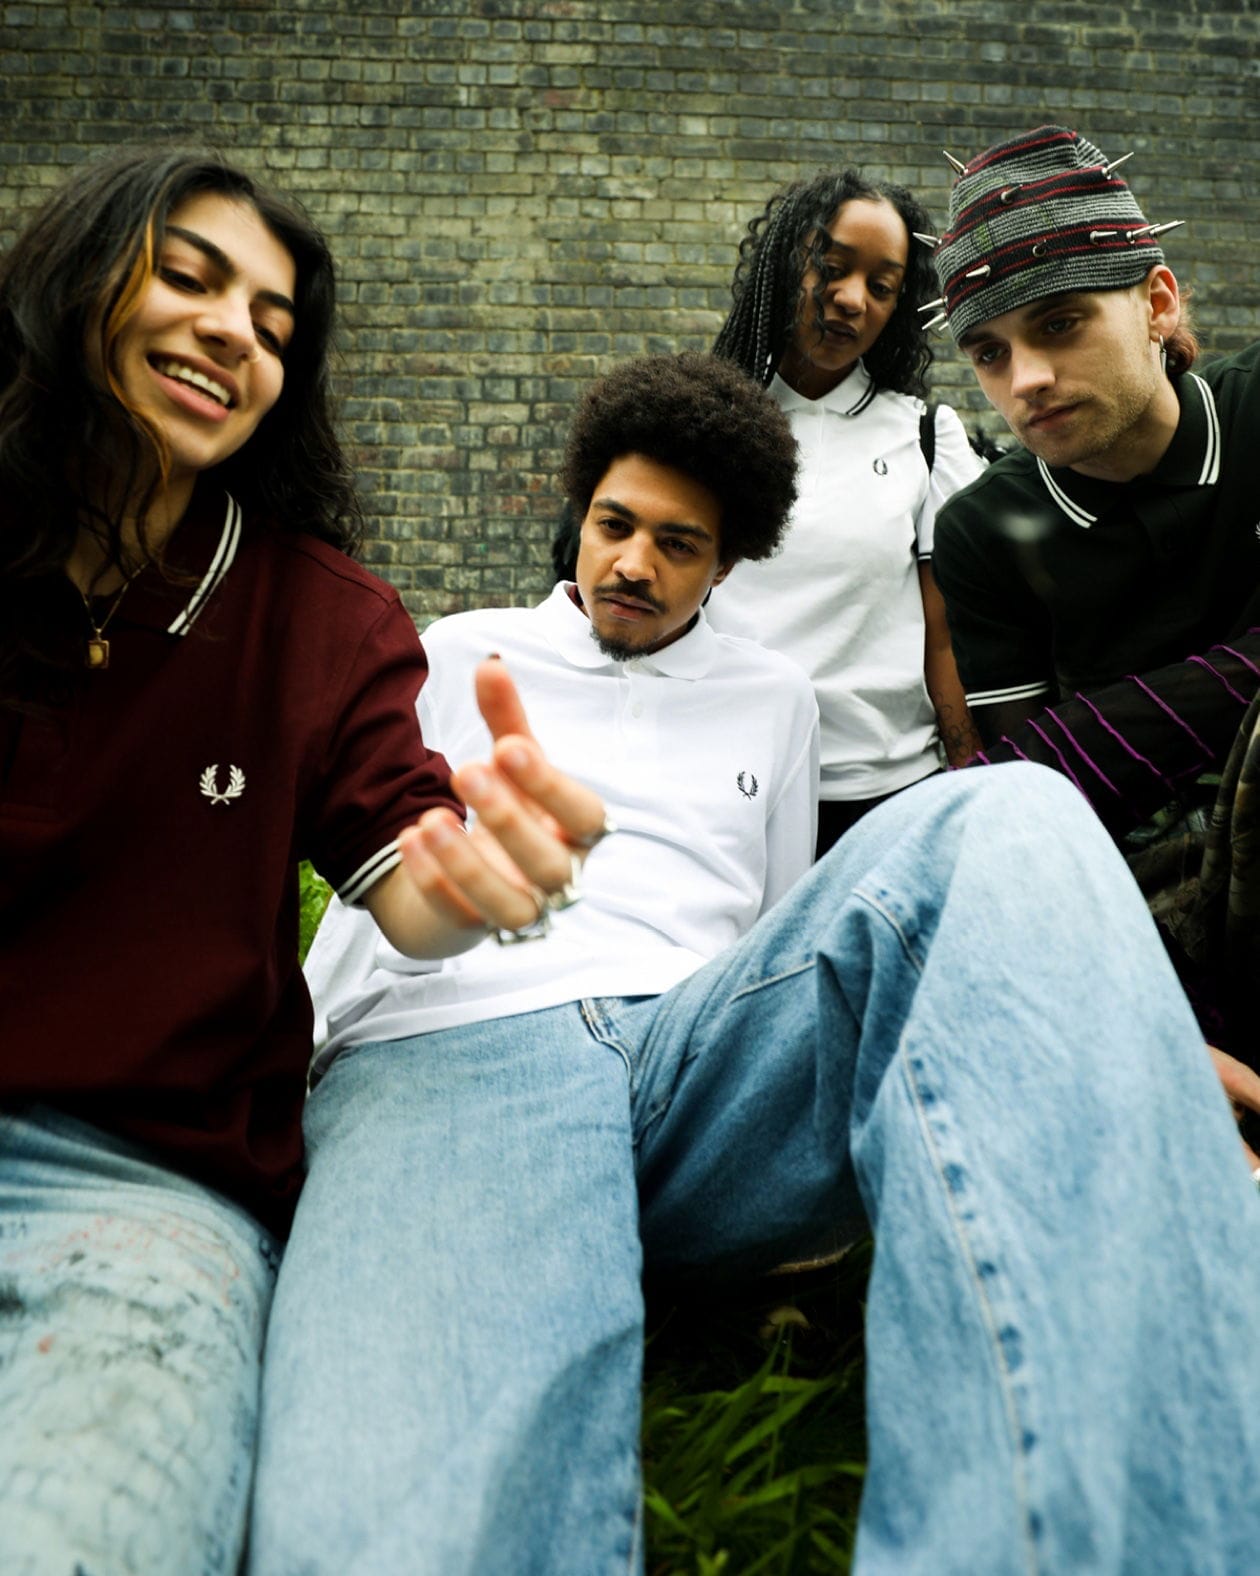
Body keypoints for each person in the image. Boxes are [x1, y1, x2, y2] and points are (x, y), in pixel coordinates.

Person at [251, 351, 1260, 1576]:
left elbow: (789, 930)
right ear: (580, 515)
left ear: (724, 567)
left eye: (679, 545)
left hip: (698, 1063)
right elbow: (356, 881)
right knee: (418, 1518)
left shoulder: (776, 698)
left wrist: (1106, 1019)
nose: (634, 563)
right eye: (616, 526)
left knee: (1017, 812)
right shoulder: (454, 653)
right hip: (468, 1033)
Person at [0, 145, 598, 1575]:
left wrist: (479, 884)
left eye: (275, 326)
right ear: (75, 281)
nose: (233, 335)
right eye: (192, 279)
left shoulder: (321, 617)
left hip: (137, 1190)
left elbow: (405, 861)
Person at [926, 124, 1260, 1063]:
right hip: (1146, 888)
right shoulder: (983, 534)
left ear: (1157, 301)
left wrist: (1108, 730)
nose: (1026, 379)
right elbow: (1032, 803)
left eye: (1061, 324)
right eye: (989, 354)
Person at [710, 168, 985, 855]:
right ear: (784, 265)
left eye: (882, 286)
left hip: (890, 802)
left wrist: (971, 780)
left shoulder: (925, 436)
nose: (851, 298)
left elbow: (946, 634)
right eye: (831, 267)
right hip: (728, 793)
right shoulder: (705, 425)